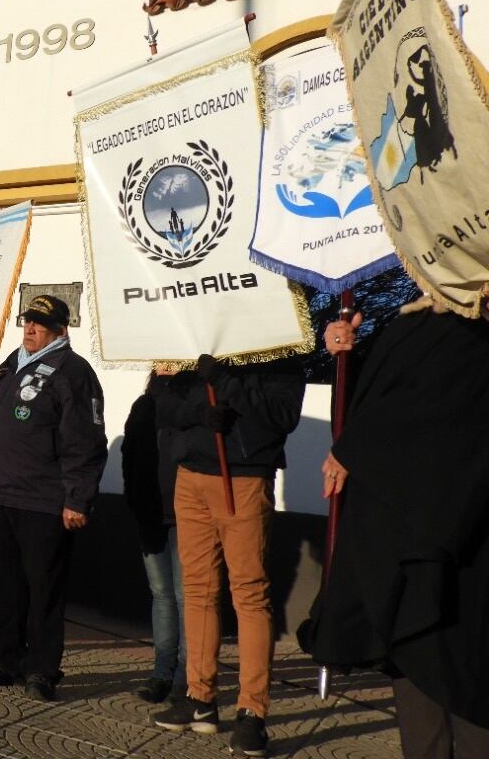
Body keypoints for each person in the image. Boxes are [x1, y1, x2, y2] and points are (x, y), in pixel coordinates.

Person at [303, 298, 489, 757]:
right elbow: (376, 403)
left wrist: (357, 447)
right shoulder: (415, 327)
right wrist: (347, 354)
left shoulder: (468, 335)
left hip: (467, 541)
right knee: (420, 687)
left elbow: (428, 412)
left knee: (472, 696)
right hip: (409, 546)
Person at [152, 351, 305, 758]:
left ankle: (252, 712)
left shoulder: (281, 350)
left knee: (249, 594)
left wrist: (226, 381)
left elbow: (282, 415)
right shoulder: (193, 343)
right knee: (198, 590)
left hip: (243, 478)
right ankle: (200, 697)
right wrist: (200, 413)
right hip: (191, 477)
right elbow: (163, 404)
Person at [0, 295, 107, 701]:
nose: (29, 328)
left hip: (43, 500)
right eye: (28, 321)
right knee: (0, 585)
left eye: (40, 323)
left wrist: (78, 498)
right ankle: (5, 659)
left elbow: (85, 442)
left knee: (43, 589)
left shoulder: (73, 372)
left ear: (61, 330)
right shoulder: (11, 362)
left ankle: (42, 669)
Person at [121, 368, 186, 703]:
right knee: (162, 594)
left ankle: (186, 678)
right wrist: (133, 498)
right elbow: (128, 455)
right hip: (149, 513)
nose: (165, 367)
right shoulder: (144, 406)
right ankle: (162, 673)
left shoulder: (191, 405)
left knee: (185, 597)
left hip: (186, 516)